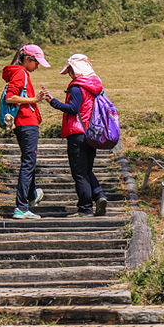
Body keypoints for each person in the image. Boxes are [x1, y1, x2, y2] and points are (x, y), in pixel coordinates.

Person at [38, 53, 109, 218]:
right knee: (87, 170)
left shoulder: (77, 87)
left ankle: (85, 208)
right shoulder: (96, 86)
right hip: (92, 133)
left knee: (79, 173)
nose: (69, 74)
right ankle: (99, 195)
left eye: (70, 70)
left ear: (76, 69)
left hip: (77, 134)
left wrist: (53, 102)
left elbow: (73, 108)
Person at [2, 44, 51, 219]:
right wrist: (34, 99)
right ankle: (21, 207)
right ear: (28, 59)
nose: (37, 67)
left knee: (29, 162)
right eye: (36, 63)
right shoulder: (20, 73)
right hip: (26, 123)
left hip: (26, 123)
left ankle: (31, 196)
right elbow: (10, 97)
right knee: (28, 164)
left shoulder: (20, 73)